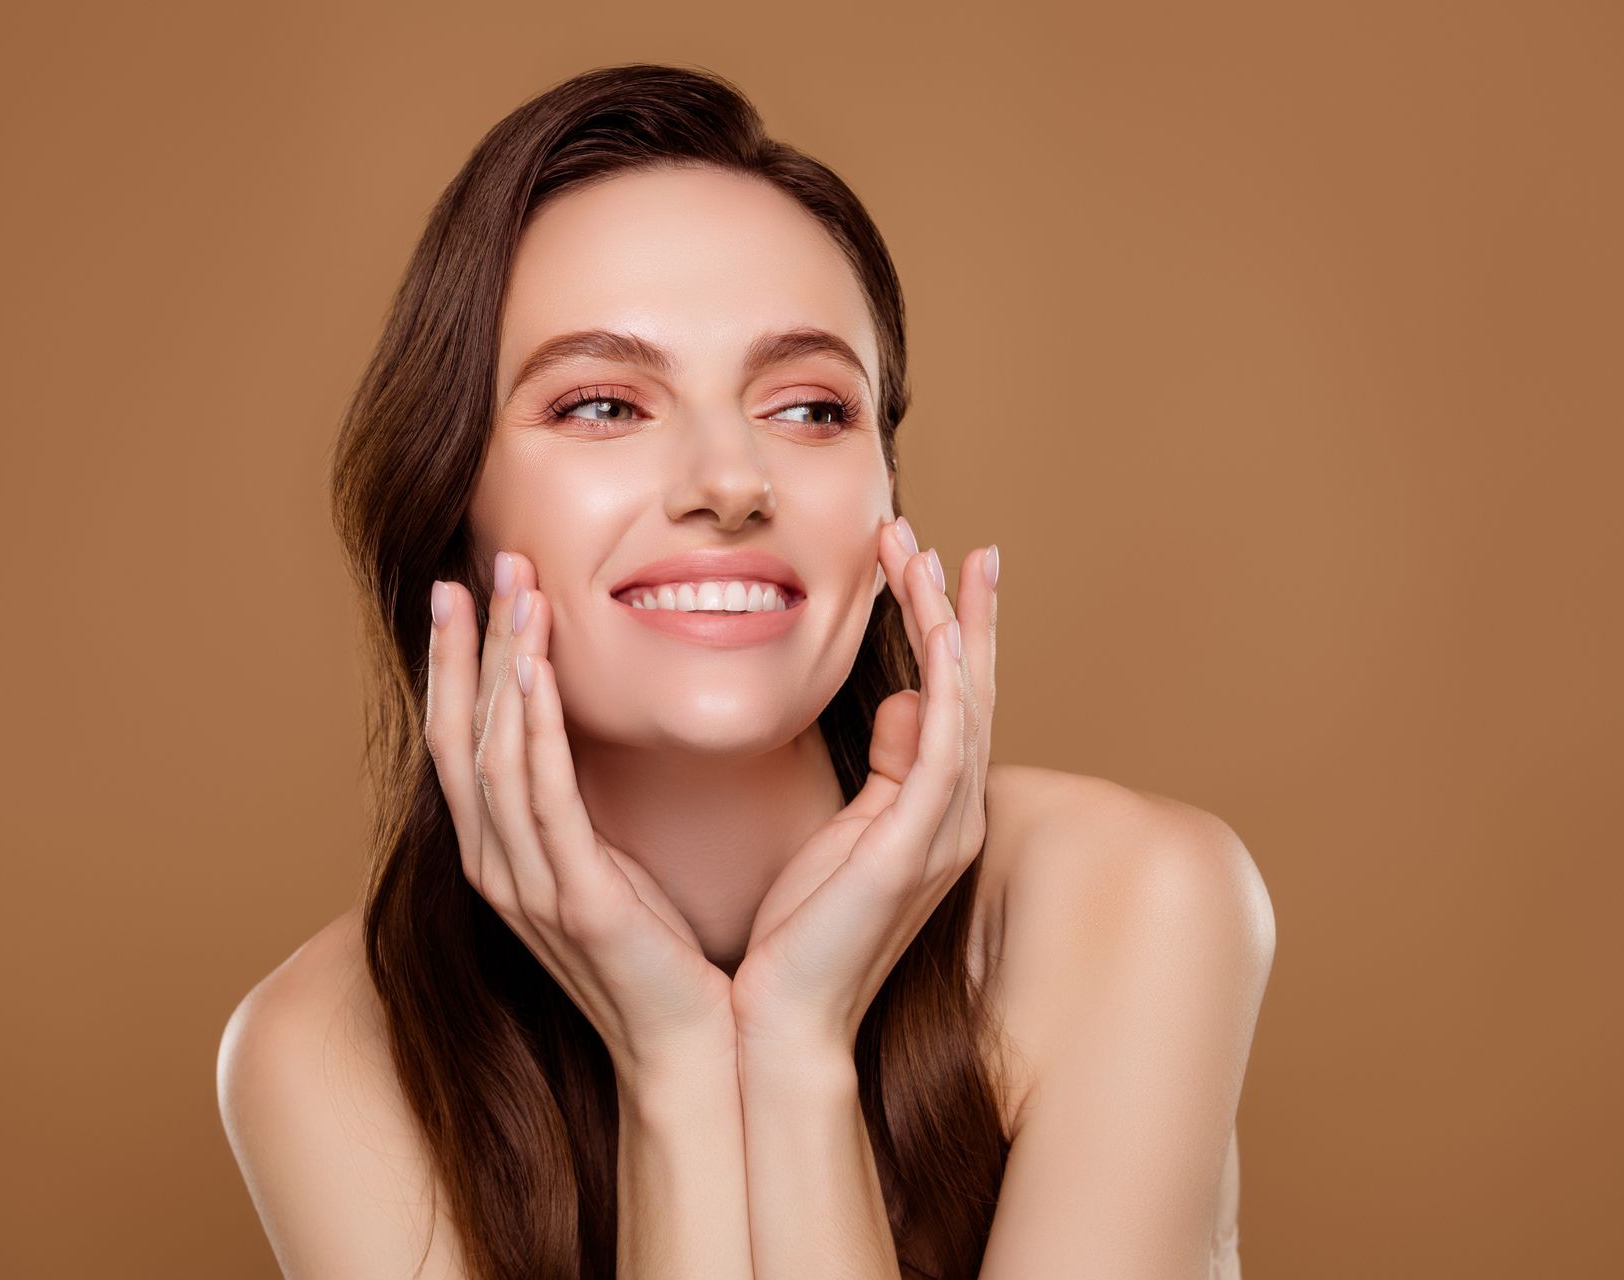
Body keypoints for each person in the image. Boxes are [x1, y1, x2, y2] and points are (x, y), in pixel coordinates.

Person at [216, 62, 1274, 1280]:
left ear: (883, 507)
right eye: (605, 403)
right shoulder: (332, 1043)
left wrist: (796, 1046)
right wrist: (671, 1056)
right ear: (454, 503)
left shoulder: (1130, 898)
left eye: (812, 408)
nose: (730, 479)